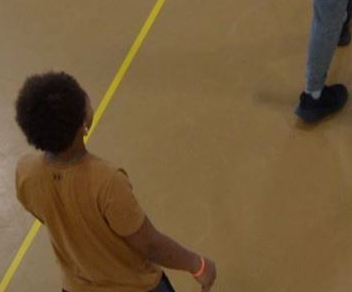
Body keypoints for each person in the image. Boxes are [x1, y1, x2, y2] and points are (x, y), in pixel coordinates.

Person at [14, 70, 217, 290]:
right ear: (83, 123)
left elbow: (47, 216)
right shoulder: (107, 182)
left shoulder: (26, 172)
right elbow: (149, 244)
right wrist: (198, 264)